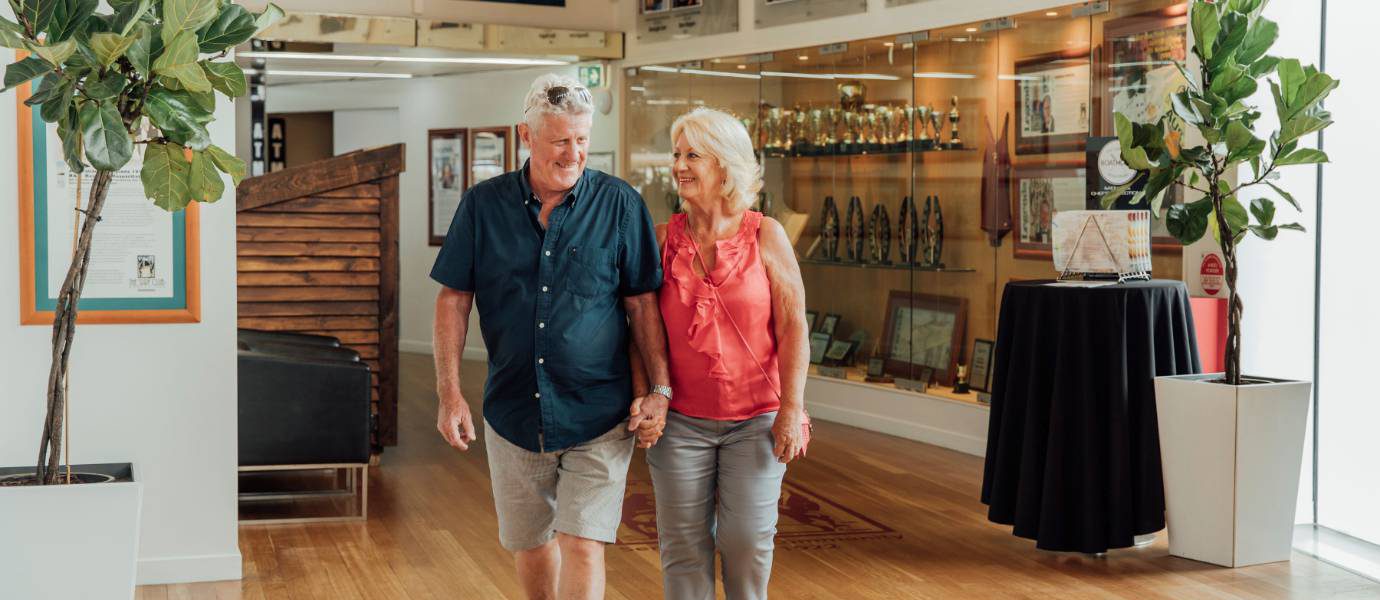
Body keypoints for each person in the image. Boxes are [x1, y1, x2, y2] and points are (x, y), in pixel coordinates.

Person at [430, 73, 673, 600]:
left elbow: (642, 304)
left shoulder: (620, 205)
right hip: (513, 410)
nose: (574, 152)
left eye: (582, 139)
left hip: (598, 411)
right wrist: (450, 393)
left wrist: (660, 388)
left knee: (583, 541)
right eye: (561, 140)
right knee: (532, 544)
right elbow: (454, 299)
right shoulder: (482, 206)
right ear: (526, 135)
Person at [632, 107, 810, 600]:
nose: (679, 165)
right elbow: (640, 328)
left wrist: (792, 409)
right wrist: (648, 394)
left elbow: (794, 326)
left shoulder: (766, 234)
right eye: (677, 154)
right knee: (683, 546)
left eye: (693, 155)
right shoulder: (664, 238)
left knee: (746, 541)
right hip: (681, 422)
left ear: (725, 165)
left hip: (756, 419)